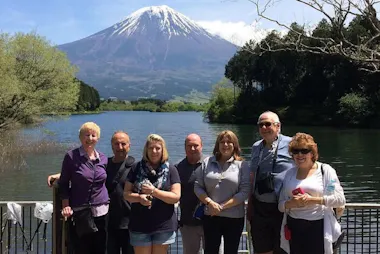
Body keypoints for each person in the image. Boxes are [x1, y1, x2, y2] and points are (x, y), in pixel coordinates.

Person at [48, 130, 135, 254]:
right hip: (108, 222)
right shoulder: (105, 162)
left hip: (129, 223)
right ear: (111, 145)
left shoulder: (136, 167)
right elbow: (88, 173)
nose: (119, 147)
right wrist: (60, 176)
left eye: (123, 144)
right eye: (116, 144)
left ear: (129, 145)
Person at [278, 133, 346, 254]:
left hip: (319, 226)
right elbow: (281, 206)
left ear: (312, 153)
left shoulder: (326, 170)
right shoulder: (289, 173)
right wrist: (291, 203)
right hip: (294, 227)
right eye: (295, 151)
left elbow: (340, 199)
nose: (299, 155)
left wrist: (313, 200)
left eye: (304, 151)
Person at [194, 130, 250, 254]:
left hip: (234, 218)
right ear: (217, 145)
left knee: (231, 251)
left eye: (229, 142)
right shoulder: (207, 162)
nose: (225, 145)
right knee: (210, 250)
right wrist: (210, 203)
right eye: (222, 142)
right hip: (211, 216)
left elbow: (244, 191)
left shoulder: (242, 165)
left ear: (234, 145)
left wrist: (221, 206)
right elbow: (198, 187)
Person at [124, 134, 181, 254]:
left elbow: (175, 197)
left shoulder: (171, 169)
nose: (154, 151)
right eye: (151, 148)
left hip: (163, 226)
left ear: (163, 150)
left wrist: (154, 191)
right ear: (146, 150)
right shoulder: (136, 168)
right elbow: (126, 194)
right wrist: (139, 198)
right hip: (139, 226)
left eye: (157, 148)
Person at [247, 111, 294, 254]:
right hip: (260, 207)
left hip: (282, 207)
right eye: (260, 125)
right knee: (262, 248)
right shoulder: (256, 147)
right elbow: (252, 175)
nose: (264, 128)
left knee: (282, 249)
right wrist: (250, 203)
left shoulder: (291, 144)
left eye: (268, 124)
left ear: (278, 126)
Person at [59, 122, 109, 254]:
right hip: (80, 213)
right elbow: (63, 182)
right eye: (86, 135)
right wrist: (66, 205)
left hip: (102, 212)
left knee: (100, 249)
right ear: (80, 137)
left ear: (98, 138)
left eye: (93, 135)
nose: (90, 138)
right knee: (82, 249)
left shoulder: (103, 158)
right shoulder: (71, 156)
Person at [175, 133, 205, 254]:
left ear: (201, 146)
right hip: (188, 223)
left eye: (195, 145)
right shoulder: (177, 168)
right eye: (189, 146)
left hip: (211, 222)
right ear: (185, 147)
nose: (192, 149)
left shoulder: (211, 165)